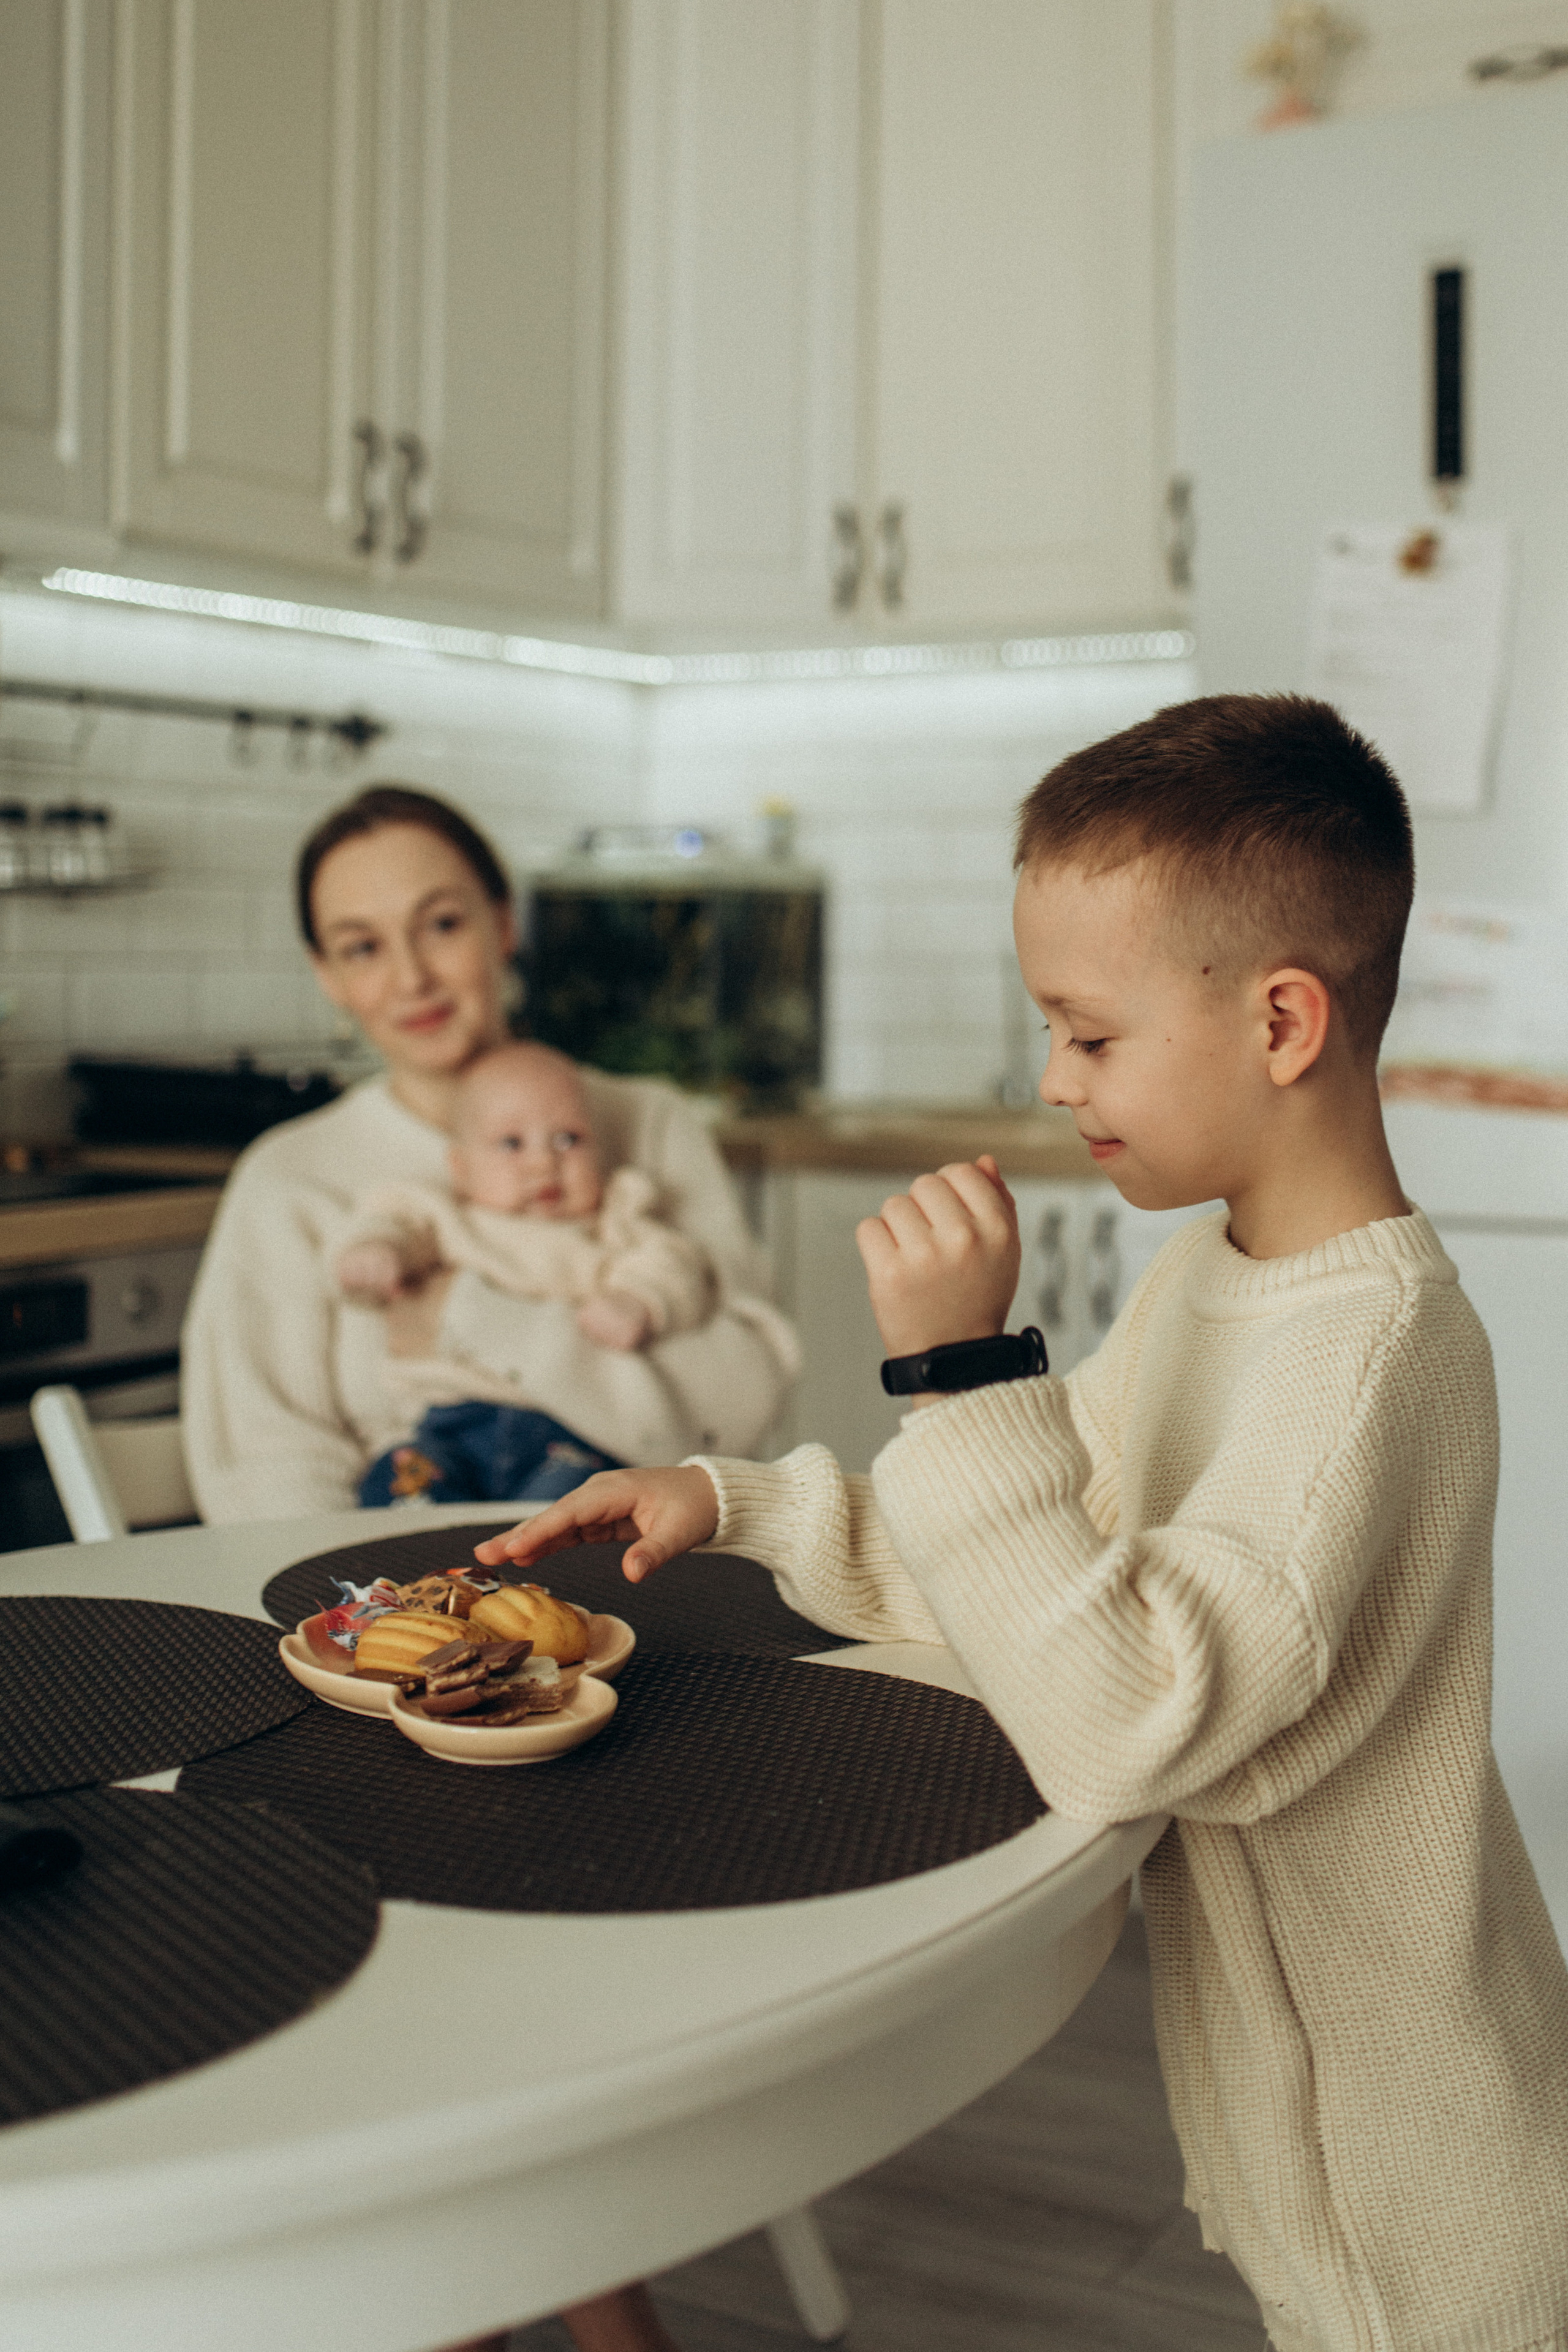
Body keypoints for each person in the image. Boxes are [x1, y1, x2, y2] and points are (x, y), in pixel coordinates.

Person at [475, 697, 1568, 2352]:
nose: (1053, 1078)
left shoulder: (1373, 1358)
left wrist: (967, 1371)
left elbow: (1124, 1714)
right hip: (1316, 2141)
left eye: (1090, 1031)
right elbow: (1053, 1561)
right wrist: (751, 1501)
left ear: (1283, 1023)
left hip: (1431, 2182)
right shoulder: (1224, 1275)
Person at [181, 784, 798, 1526]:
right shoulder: (287, 1179)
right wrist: (383, 1620)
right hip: (387, 1603)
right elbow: (265, 1471)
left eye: (441, 925)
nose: (413, 979)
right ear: (328, 976)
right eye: (363, 948)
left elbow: (738, 1404)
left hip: (630, 1574)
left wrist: (471, 1316)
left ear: (503, 924)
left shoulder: (649, 1126)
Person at [341, 1038, 723, 1507]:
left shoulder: (613, 1223)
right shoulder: (448, 1221)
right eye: (511, 1143)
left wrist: (639, 1301)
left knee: (579, 1508)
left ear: (600, 1153)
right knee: (400, 1480)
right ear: (460, 1168)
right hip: (451, 1428)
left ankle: (537, 1574)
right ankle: (422, 1571)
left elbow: (675, 1264)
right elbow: (396, 1220)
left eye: (569, 1139)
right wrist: (378, 1252)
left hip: (574, 1435)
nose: (544, 1164)